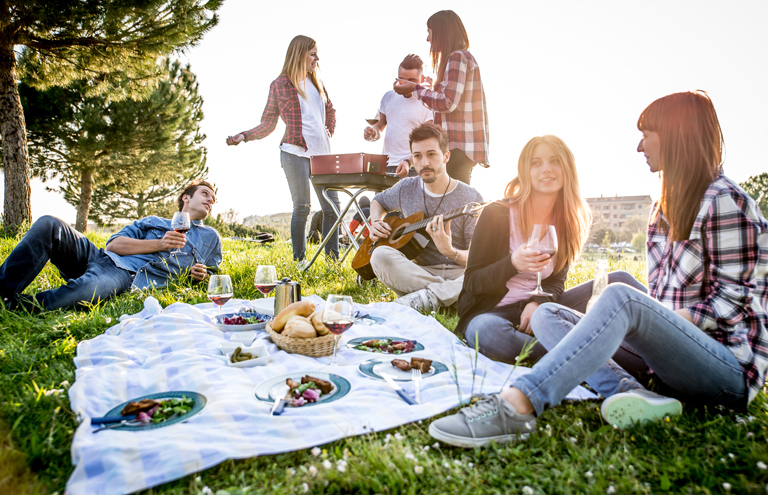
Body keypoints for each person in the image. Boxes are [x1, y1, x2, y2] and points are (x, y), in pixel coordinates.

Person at [428, 91, 768, 448]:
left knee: (619, 295)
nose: (639, 146)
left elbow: (733, 303)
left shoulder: (725, 201)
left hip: (727, 370)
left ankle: (517, 404)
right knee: (547, 318)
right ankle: (632, 392)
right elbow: (476, 282)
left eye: (647, 134)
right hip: (664, 366)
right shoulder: (665, 209)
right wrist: (627, 327)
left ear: (674, 135)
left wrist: (656, 320)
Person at [0, 180, 222, 311]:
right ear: (186, 197)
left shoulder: (210, 237)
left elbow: (216, 276)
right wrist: (159, 243)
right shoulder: (154, 221)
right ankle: (3, 290)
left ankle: (14, 305)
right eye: (205, 194)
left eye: (213, 199)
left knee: (85, 289)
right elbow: (114, 245)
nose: (210, 200)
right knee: (50, 224)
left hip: (126, 275)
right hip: (100, 258)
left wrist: (199, 276)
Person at [226, 35, 340, 262]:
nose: (317, 58)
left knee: (332, 209)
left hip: (322, 155)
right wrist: (245, 135)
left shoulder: (317, 81)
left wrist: (328, 129)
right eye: (313, 53)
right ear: (300, 54)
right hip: (294, 153)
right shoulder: (279, 85)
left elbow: (331, 110)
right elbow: (269, 123)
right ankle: (300, 262)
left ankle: (332, 263)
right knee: (302, 207)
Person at [368, 122, 483, 312]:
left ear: (446, 156)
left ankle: (426, 298)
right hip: (419, 272)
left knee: (481, 274)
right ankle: (447, 297)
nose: (424, 163)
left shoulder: (471, 198)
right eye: (417, 156)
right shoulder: (406, 188)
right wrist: (377, 221)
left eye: (431, 154)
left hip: (459, 272)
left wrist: (450, 251)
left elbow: (478, 259)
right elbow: (378, 201)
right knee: (379, 256)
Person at [393, 10, 489, 185]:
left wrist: (415, 89)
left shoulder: (457, 58)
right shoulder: (462, 58)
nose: (428, 39)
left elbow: (448, 102)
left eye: (429, 32)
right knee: (456, 202)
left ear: (441, 32)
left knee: (456, 206)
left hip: (457, 146)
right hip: (461, 147)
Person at [364, 54, 434, 177]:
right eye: (401, 79)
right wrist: (373, 132)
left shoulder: (428, 102)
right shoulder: (389, 96)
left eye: (412, 81)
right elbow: (379, 126)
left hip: (413, 169)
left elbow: (428, 143)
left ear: (422, 79)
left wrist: (409, 162)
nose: (405, 85)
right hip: (387, 167)